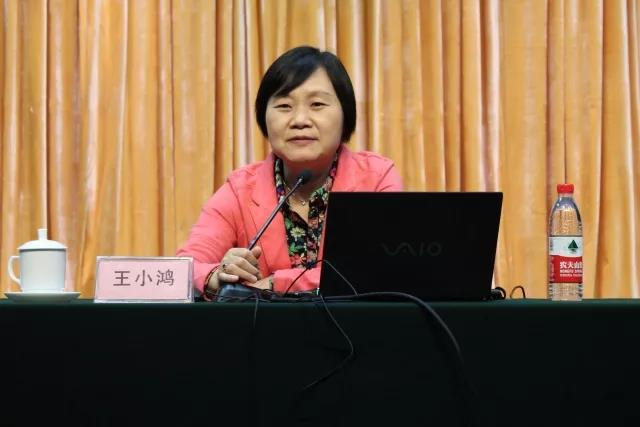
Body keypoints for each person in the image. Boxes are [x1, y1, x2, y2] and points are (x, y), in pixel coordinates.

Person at [177, 46, 403, 300]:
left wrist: (276, 282)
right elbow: (185, 267)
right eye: (284, 106)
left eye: (317, 104)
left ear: (345, 114)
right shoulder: (240, 189)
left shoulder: (376, 178)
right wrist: (217, 276)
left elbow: (378, 269)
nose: (300, 120)